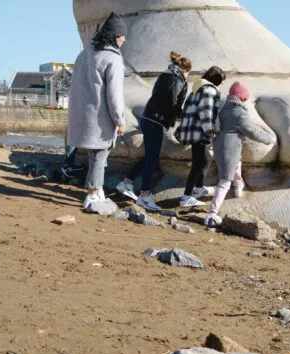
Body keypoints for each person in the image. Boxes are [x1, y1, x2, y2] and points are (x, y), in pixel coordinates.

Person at [67, 12, 127, 209]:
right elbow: (114, 95)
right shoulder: (112, 58)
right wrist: (120, 120)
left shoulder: (84, 54)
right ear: (115, 36)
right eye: (122, 35)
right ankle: (92, 194)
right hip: (100, 117)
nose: (124, 39)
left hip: (82, 114)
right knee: (100, 154)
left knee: (94, 155)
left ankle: (98, 190)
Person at [116, 51, 191, 210]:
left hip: (148, 118)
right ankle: (144, 196)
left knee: (150, 156)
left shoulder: (165, 75)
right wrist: (182, 115)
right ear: (186, 70)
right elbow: (172, 103)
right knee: (152, 159)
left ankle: (126, 183)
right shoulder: (177, 80)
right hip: (155, 121)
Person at [204, 81, 274, 227]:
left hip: (221, 143)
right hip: (230, 147)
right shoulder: (239, 113)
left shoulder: (225, 108)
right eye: (244, 98)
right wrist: (269, 139)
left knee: (237, 164)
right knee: (224, 181)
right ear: (241, 97)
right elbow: (251, 131)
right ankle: (212, 213)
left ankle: (238, 186)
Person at [176, 66, 226, 207]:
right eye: (221, 80)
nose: (222, 84)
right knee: (198, 164)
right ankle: (186, 197)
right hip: (200, 131)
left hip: (193, 131)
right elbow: (206, 111)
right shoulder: (209, 90)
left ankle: (198, 188)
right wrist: (209, 130)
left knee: (205, 160)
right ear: (216, 79)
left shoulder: (196, 90)